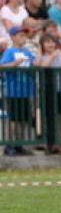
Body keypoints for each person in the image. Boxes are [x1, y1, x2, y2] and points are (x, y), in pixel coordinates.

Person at [1, 26, 36, 156]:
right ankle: (10, 144)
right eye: (20, 35)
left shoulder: (27, 52)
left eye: (24, 35)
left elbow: (35, 62)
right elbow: (3, 65)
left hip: (26, 91)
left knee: (24, 120)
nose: (23, 38)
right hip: (14, 91)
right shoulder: (9, 52)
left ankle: (19, 144)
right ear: (13, 37)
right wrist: (15, 63)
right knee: (14, 120)